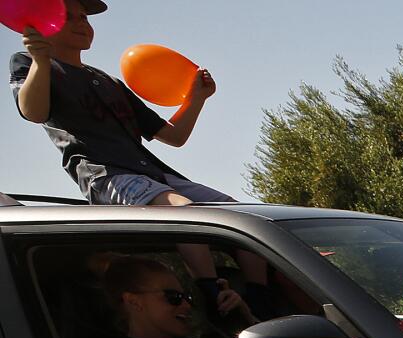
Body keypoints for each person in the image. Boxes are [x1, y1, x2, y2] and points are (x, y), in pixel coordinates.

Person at [11, 1, 269, 318]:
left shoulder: (109, 82)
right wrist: (40, 61)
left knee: (239, 215)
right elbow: (32, 111)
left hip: (154, 176)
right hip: (107, 176)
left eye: (84, 17)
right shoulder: (30, 63)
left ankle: (261, 298)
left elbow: (173, 136)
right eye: (70, 18)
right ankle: (210, 295)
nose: (83, 23)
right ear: (46, 24)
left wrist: (196, 98)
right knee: (185, 213)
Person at [86, 254, 238, 338]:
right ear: (133, 302)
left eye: (187, 298)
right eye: (173, 297)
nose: (186, 306)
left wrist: (240, 314)